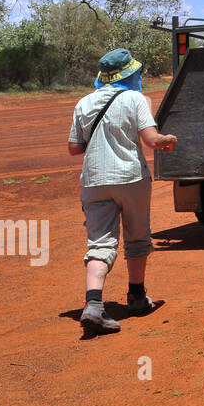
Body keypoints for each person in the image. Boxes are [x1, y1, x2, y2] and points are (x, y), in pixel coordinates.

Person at [67, 49, 177, 337]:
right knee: (137, 236)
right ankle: (137, 297)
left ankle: (93, 305)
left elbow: (74, 148)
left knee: (99, 244)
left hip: (94, 180)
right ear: (130, 74)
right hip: (130, 177)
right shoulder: (135, 99)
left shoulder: (83, 103)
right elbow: (151, 140)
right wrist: (167, 140)